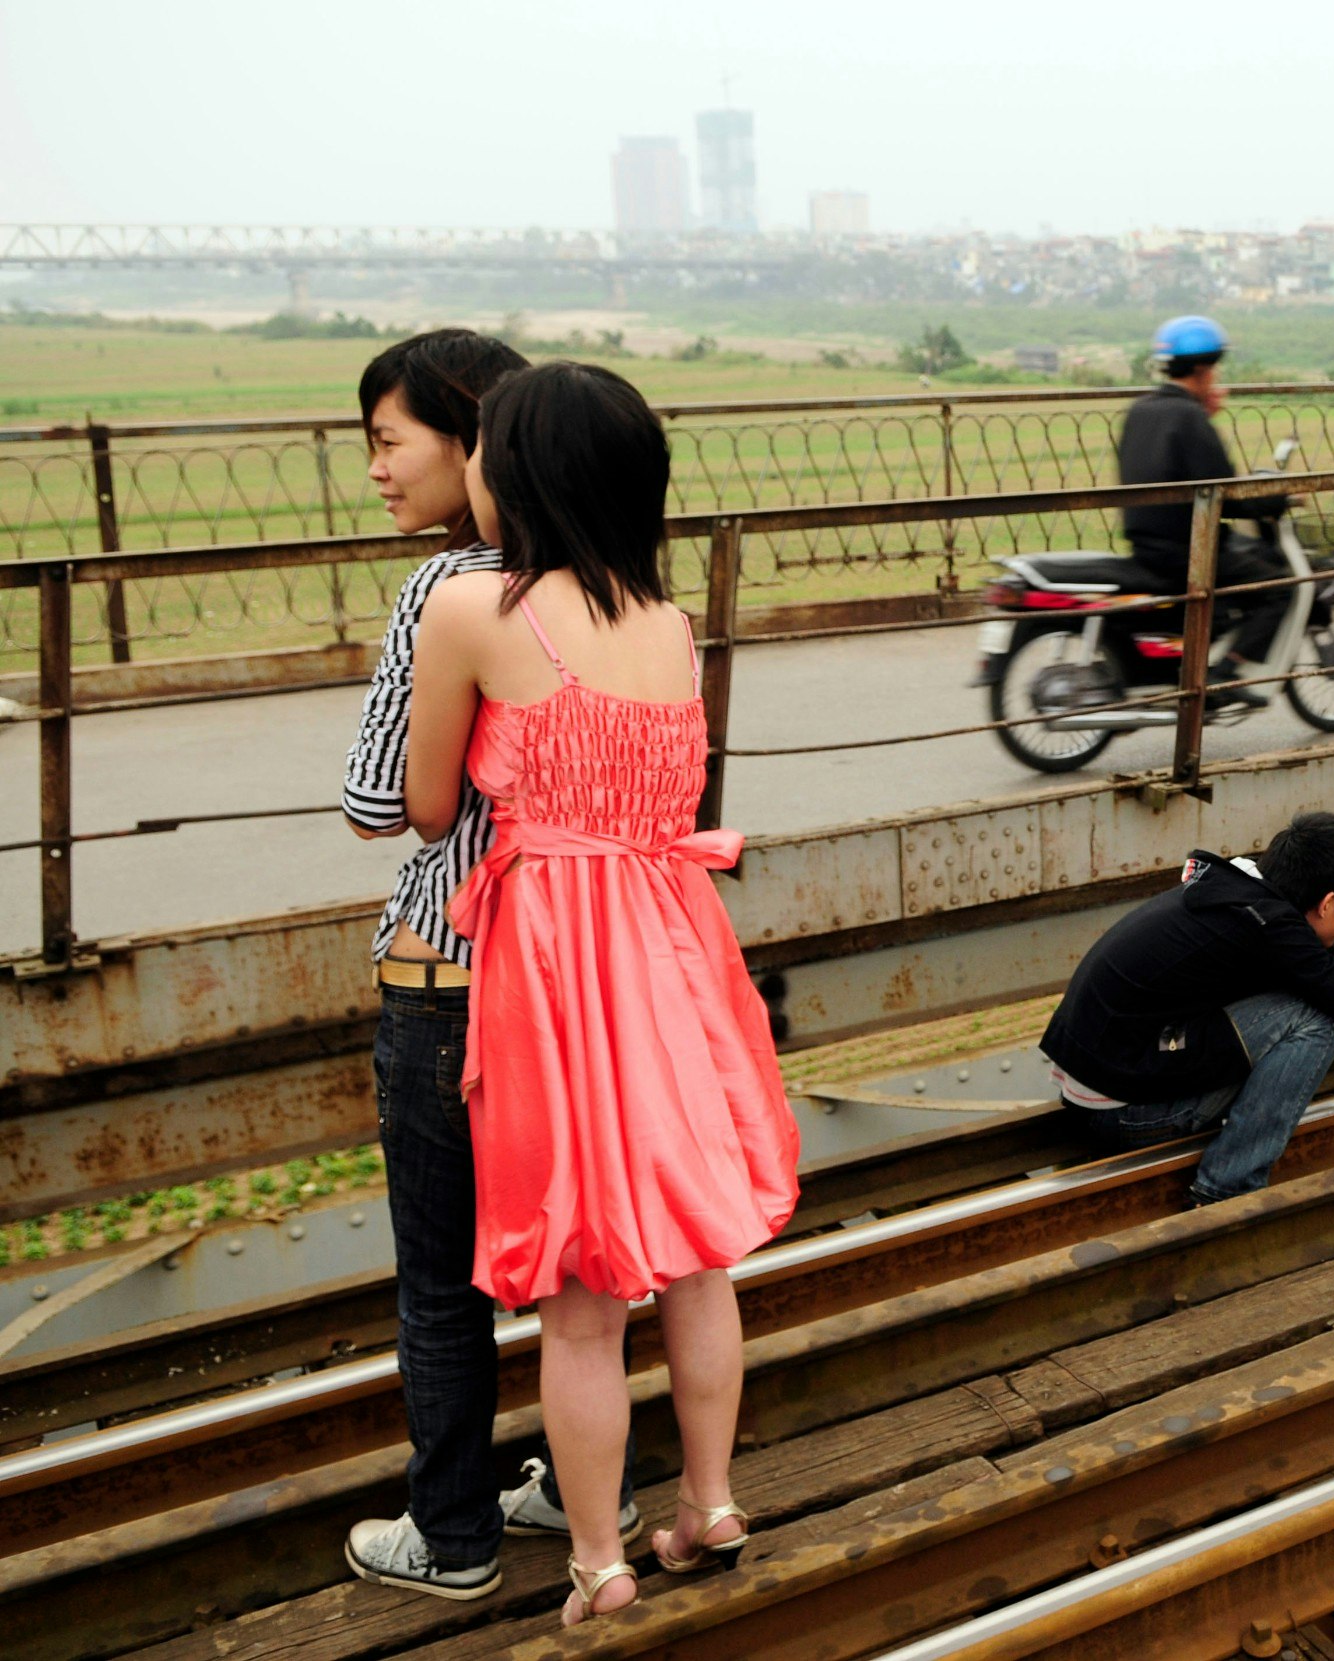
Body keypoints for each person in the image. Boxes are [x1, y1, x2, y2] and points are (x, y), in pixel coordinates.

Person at [397, 362, 800, 1627]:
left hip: (555, 960)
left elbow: (421, 807)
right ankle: (711, 1500)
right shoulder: (673, 625)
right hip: (672, 949)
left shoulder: (470, 609)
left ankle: (595, 1560)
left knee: (579, 1294)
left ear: (516, 471)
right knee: (692, 1253)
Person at [339, 329, 639, 1603]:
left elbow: (379, 797)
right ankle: (594, 1490)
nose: (375, 471)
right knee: (579, 1264)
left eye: (387, 442)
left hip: (453, 973)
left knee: (442, 1278)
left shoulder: (449, 592)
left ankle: (451, 1530)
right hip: (579, 983)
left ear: (474, 443)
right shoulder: (612, 584)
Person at [1041, 812, 1334, 1205]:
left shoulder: (1244, 896)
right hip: (1121, 1110)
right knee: (1316, 1020)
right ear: (1325, 904)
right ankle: (1226, 1190)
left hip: (1098, 1078)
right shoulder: (1267, 926)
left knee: (1310, 996)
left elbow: (1324, 966)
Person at [1115, 314, 1294, 711]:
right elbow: (1225, 494)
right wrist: (1274, 498)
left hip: (1146, 543)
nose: (1215, 377)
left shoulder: (1140, 410)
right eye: (1213, 369)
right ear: (1201, 370)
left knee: (1245, 562)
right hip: (1185, 550)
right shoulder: (1188, 417)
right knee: (1278, 587)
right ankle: (1224, 675)